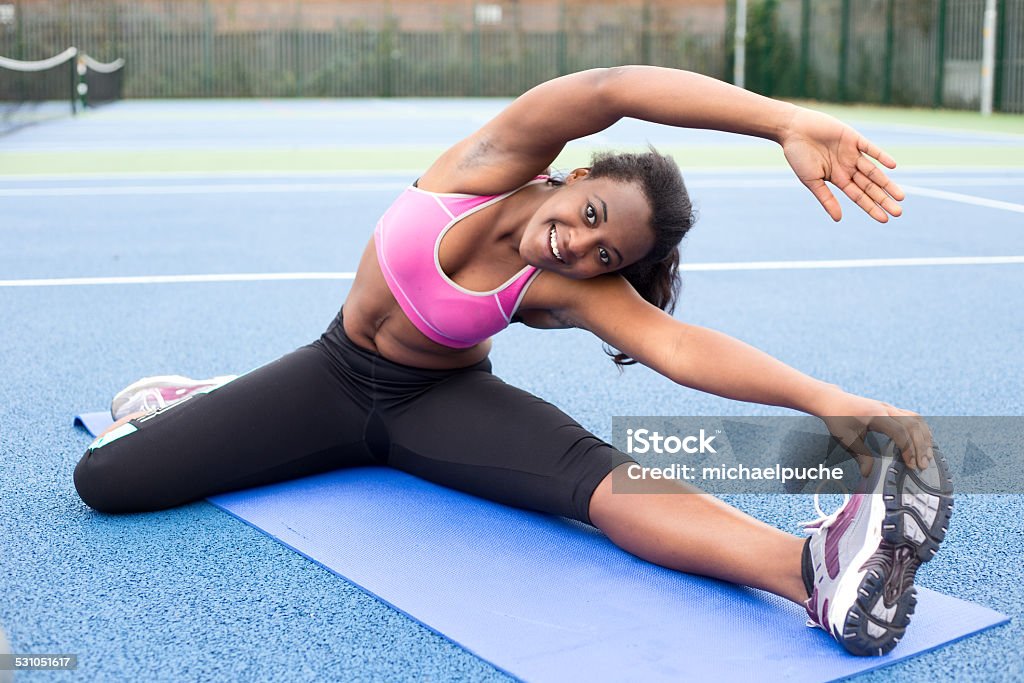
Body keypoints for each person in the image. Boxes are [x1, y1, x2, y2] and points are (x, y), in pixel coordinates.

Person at [73, 66, 953, 657]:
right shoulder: (492, 161)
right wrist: (785, 120)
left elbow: (678, 347)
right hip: (328, 378)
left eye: (605, 256)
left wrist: (826, 398)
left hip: (439, 404)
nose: (578, 245)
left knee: (602, 487)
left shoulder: (565, 284)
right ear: (572, 175)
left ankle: (816, 571)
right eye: (592, 214)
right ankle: (200, 399)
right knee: (105, 482)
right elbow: (616, 87)